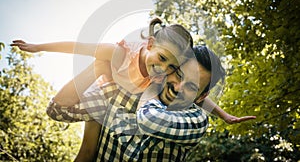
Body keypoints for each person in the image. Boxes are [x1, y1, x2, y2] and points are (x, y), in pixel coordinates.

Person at [11, 19, 256, 161]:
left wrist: (225, 116)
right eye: (177, 74)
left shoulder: (193, 120)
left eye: (171, 66)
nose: (161, 70)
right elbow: (79, 48)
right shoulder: (120, 58)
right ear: (150, 45)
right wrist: (39, 47)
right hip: (110, 84)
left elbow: (158, 115)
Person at [46, 45, 224, 161]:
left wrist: (149, 89)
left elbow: (148, 120)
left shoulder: (196, 121)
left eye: (192, 87)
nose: (178, 87)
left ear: (201, 97)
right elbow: (58, 110)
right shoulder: (121, 90)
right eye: (179, 74)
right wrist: (99, 67)